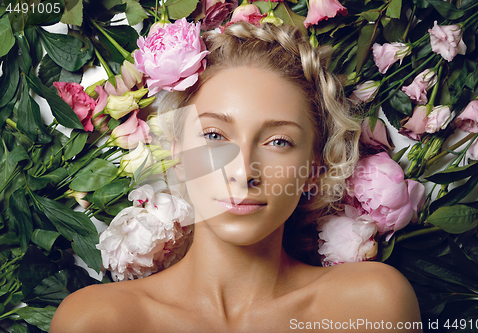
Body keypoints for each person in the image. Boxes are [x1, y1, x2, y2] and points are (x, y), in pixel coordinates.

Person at [50, 22, 422, 333]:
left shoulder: (370, 306)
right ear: (178, 154)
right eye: (214, 136)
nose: (243, 171)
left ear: (313, 169)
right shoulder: (98, 322)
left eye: (279, 141)